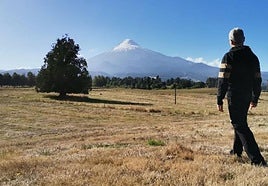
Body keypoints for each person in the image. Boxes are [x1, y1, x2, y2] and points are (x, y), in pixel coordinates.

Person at [217, 27, 267, 166]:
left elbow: (223, 80)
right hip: (246, 96)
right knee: (239, 122)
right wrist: (255, 97)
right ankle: (237, 151)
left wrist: (219, 98)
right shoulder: (253, 57)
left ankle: (257, 160)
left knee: (239, 125)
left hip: (234, 95)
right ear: (243, 40)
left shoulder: (228, 57)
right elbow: (258, 80)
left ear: (230, 41)